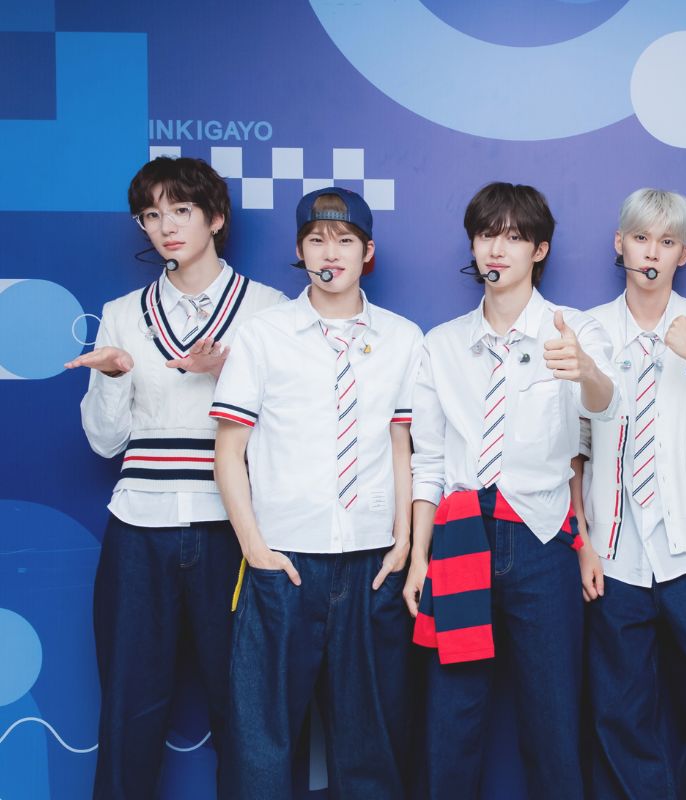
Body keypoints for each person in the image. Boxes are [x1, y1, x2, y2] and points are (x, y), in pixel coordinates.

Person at [67, 156, 286, 799]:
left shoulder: (268, 311)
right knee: (129, 708)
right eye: (151, 214)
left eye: (182, 210)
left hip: (233, 528)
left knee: (245, 711)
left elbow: (293, 436)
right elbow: (104, 442)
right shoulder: (122, 313)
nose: (166, 226)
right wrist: (114, 378)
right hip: (140, 528)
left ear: (215, 218)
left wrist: (229, 378)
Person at [405, 181, 617, 800]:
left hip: (542, 537)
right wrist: (418, 557)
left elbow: (605, 411)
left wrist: (585, 370)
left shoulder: (572, 330)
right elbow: (429, 460)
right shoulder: (441, 344)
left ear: (539, 250)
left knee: (553, 718)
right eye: (485, 235)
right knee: (452, 718)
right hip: (460, 535)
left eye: (514, 237)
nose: (496, 249)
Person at [211, 187, 423, 799]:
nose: (331, 253)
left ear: (367, 252)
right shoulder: (264, 334)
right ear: (300, 250)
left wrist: (403, 541)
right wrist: (255, 549)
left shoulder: (403, 338)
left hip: (372, 562)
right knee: (261, 743)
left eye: (345, 240)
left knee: (372, 745)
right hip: (284, 561)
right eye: (316, 240)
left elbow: (402, 446)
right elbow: (228, 452)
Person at [575, 188, 686, 799]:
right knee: (619, 714)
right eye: (641, 238)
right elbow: (572, 450)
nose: (652, 252)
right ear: (620, 243)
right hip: (613, 553)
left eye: (667, 241)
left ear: (684, 254)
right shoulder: (589, 330)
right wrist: (583, 541)